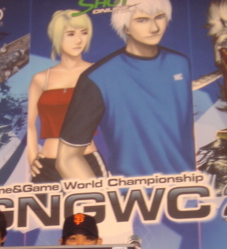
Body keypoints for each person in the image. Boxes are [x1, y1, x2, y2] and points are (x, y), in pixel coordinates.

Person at [56, 0, 194, 179]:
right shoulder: (98, 77)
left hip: (188, 186)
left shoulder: (180, 63)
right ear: (126, 27)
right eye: (142, 20)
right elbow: (67, 159)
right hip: (131, 191)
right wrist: (103, 196)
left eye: (159, 17)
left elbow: (185, 129)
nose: (154, 28)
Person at [27, 10, 107, 183]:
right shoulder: (41, 79)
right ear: (57, 36)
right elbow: (31, 125)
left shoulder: (98, 73)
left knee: (93, 202)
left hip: (84, 161)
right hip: (46, 165)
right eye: (70, 34)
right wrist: (32, 157)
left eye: (84, 33)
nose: (79, 40)